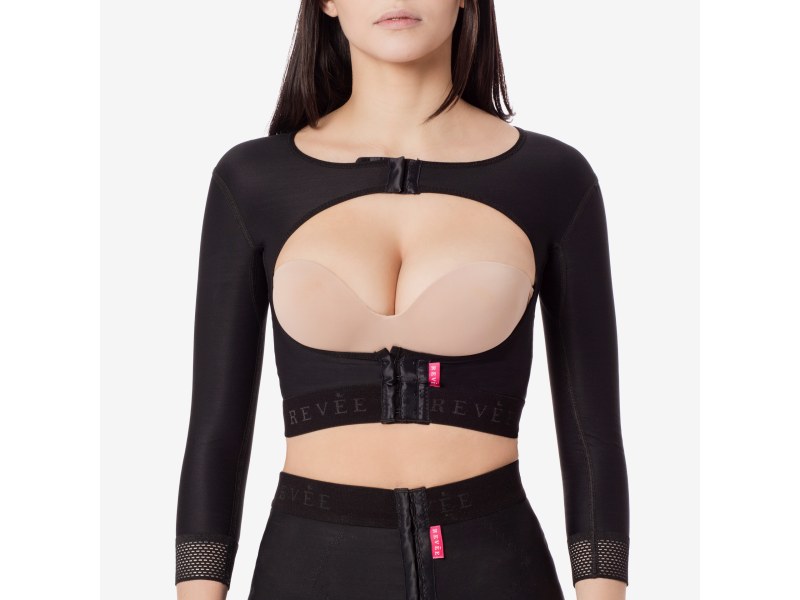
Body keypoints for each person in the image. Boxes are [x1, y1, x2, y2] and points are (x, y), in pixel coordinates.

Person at [174, 1, 630, 599]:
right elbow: (216, 432)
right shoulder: (255, 179)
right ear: (328, 2)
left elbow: (592, 434)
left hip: (496, 569)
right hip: (308, 570)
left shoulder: (552, 178)